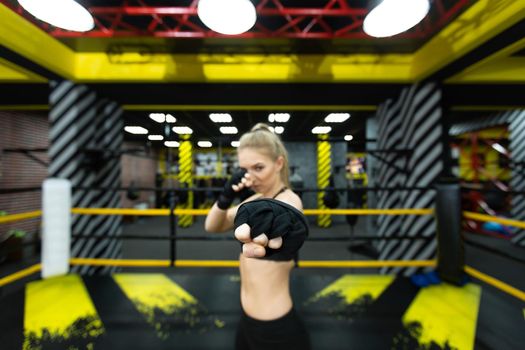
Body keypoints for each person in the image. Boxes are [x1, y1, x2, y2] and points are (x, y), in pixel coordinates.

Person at [205, 123, 310, 350]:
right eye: (245, 170)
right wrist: (225, 197)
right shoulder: (254, 201)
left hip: (276, 329)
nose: (250, 177)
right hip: (246, 322)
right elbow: (213, 225)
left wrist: (272, 226)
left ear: (278, 163)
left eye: (258, 168)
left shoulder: (289, 200)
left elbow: (286, 212)